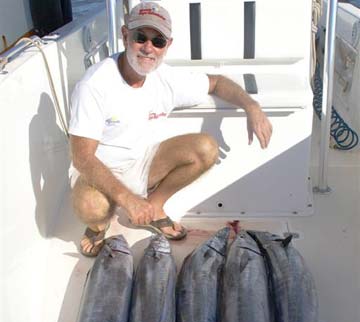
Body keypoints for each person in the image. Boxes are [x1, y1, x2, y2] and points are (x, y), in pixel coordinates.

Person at [69, 1, 272, 256]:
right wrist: (128, 199)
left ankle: (153, 207)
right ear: (124, 35)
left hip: (142, 164)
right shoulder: (94, 85)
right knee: (91, 207)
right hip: (99, 170)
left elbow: (217, 83)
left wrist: (251, 106)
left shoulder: (165, 77)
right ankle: (98, 227)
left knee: (205, 149)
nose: (148, 48)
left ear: (168, 46)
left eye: (158, 41)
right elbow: (82, 158)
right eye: (140, 37)